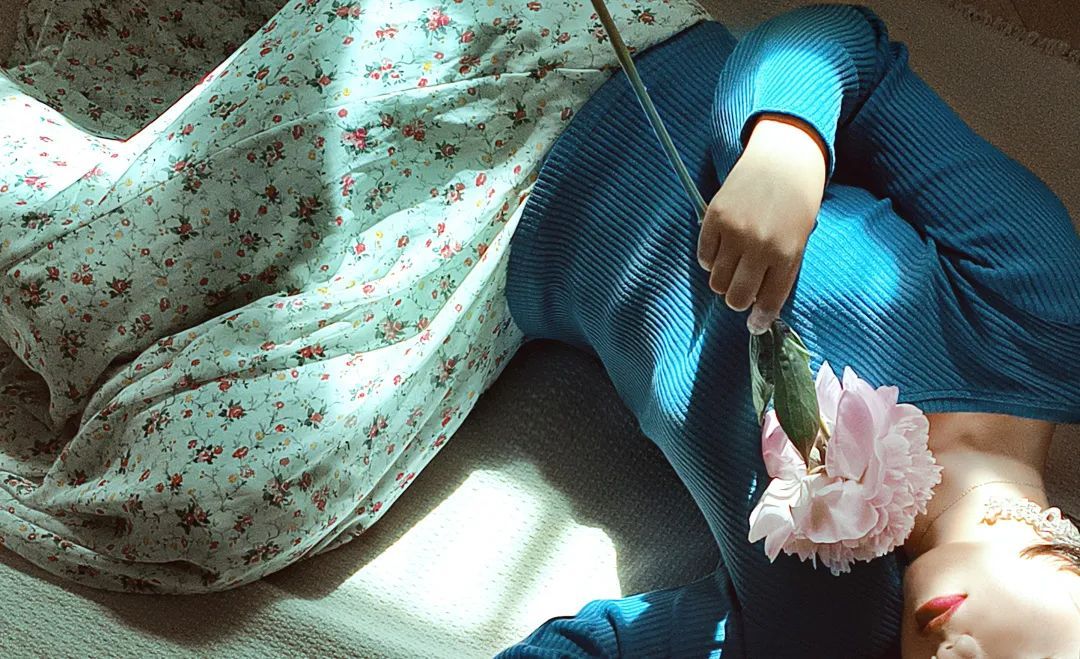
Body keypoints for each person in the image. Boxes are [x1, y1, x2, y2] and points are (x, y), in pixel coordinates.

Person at [0, 0, 711, 592]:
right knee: (75, 287)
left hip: (496, 265)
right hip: (576, 56)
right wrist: (773, 135)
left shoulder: (778, 588)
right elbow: (790, 43)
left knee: (216, 498)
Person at [496, 3, 1080, 657]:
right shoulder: (1038, 311)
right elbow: (844, 46)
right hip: (595, 55)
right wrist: (788, 144)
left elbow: (595, 647)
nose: (954, 656)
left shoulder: (823, 630)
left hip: (483, 261)